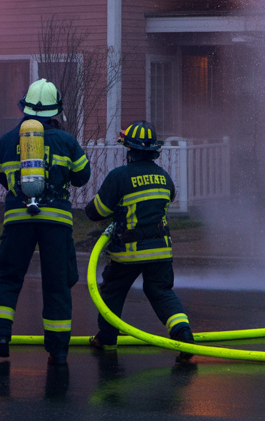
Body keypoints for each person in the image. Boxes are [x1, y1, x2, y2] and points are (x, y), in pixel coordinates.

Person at [0, 78, 91, 365]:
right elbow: (83, 177)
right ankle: (58, 350)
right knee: (57, 284)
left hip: (17, 219)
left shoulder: (8, 139)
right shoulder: (67, 141)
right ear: (55, 111)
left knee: (8, 277)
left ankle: (2, 335)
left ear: (26, 108)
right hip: (56, 222)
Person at [84, 121, 194, 361]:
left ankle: (106, 337)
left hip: (128, 253)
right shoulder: (164, 178)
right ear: (153, 150)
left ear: (129, 150)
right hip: (160, 252)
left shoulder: (119, 176)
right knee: (160, 291)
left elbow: (97, 211)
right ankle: (183, 333)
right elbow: (168, 198)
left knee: (112, 290)